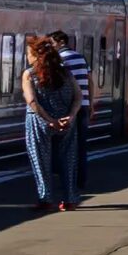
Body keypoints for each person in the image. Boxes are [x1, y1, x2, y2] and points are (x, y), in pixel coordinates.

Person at [21, 34, 81, 213]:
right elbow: (78, 95)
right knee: (68, 160)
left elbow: (32, 101)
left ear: (35, 55)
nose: (27, 57)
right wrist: (70, 116)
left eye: (29, 53)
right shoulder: (65, 72)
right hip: (66, 122)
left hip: (40, 122)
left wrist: (49, 120)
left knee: (40, 161)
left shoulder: (29, 74)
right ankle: (69, 199)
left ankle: (45, 198)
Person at [54, 31, 93, 197]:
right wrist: (90, 102)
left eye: (52, 42)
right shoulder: (81, 57)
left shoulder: (59, 60)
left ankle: (66, 181)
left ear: (60, 41)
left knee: (65, 146)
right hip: (83, 106)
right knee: (81, 145)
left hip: (68, 108)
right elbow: (90, 80)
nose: (51, 46)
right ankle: (81, 180)